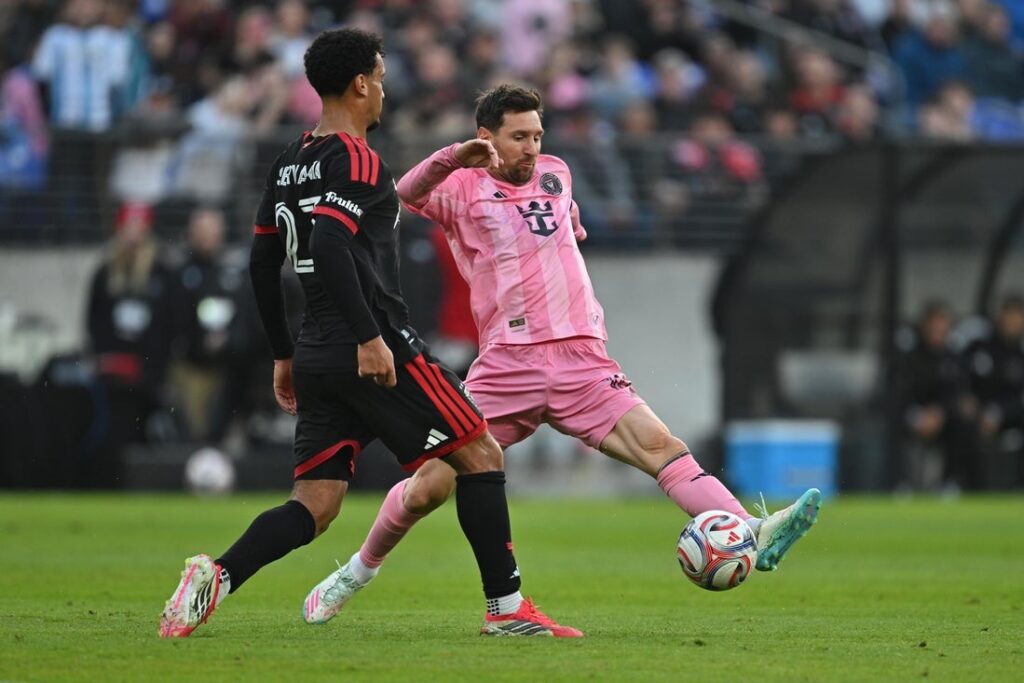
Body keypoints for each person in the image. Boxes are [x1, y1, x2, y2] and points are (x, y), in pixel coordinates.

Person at [302, 84, 822, 625]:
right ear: (488, 138)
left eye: (537, 135)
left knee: (661, 446)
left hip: (582, 359)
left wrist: (569, 226)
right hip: (508, 362)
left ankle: (750, 528)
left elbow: (563, 226)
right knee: (429, 487)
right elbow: (407, 192)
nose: (531, 146)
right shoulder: (460, 185)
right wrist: (456, 156)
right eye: (519, 136)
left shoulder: (556, 172)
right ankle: (357, 571)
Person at [159, 29, 580, 639]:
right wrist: (368, 337)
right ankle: (507, 609)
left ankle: (217, 577)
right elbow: (330, 243)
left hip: (315, 351)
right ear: (360, 83)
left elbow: (260, 262)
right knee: (480, 452)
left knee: (316, 505)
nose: (383, 90)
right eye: (380, 77)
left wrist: (283, 354)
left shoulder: (289, 160)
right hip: (374, 343)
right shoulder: (356, 158)